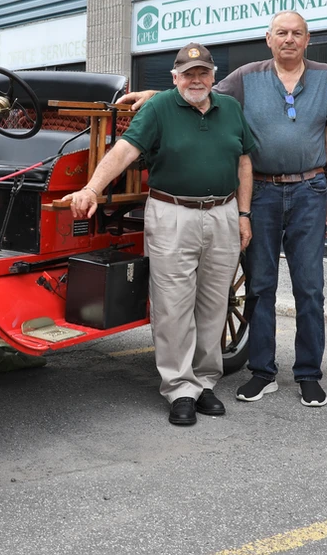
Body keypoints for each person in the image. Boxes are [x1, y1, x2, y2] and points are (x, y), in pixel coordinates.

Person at [119, 11, 327, 408]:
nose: (289, 39)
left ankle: (309, 374)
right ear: (268, 39)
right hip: (262, 191)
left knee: (310, 287)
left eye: (296, 33)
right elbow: (197, 91)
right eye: (281, 33)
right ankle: (262, 372)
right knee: (260, 285)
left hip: (310, 190)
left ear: (308, 39)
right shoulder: (246, 76)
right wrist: (154, 95)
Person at [63, 42, 255, 426]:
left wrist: (244, 214)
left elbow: (244, 162)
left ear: (213, 76)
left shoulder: (231, 108)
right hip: (172, 213)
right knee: (172, 306)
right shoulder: (159, 107)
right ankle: (180, 388)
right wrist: (92, 189)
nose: (196, 80)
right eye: (188, 74)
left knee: (214, 304)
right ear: (175, 77)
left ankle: (205, 382)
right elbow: (124, 151)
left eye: (202, 73)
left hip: (223, 213)